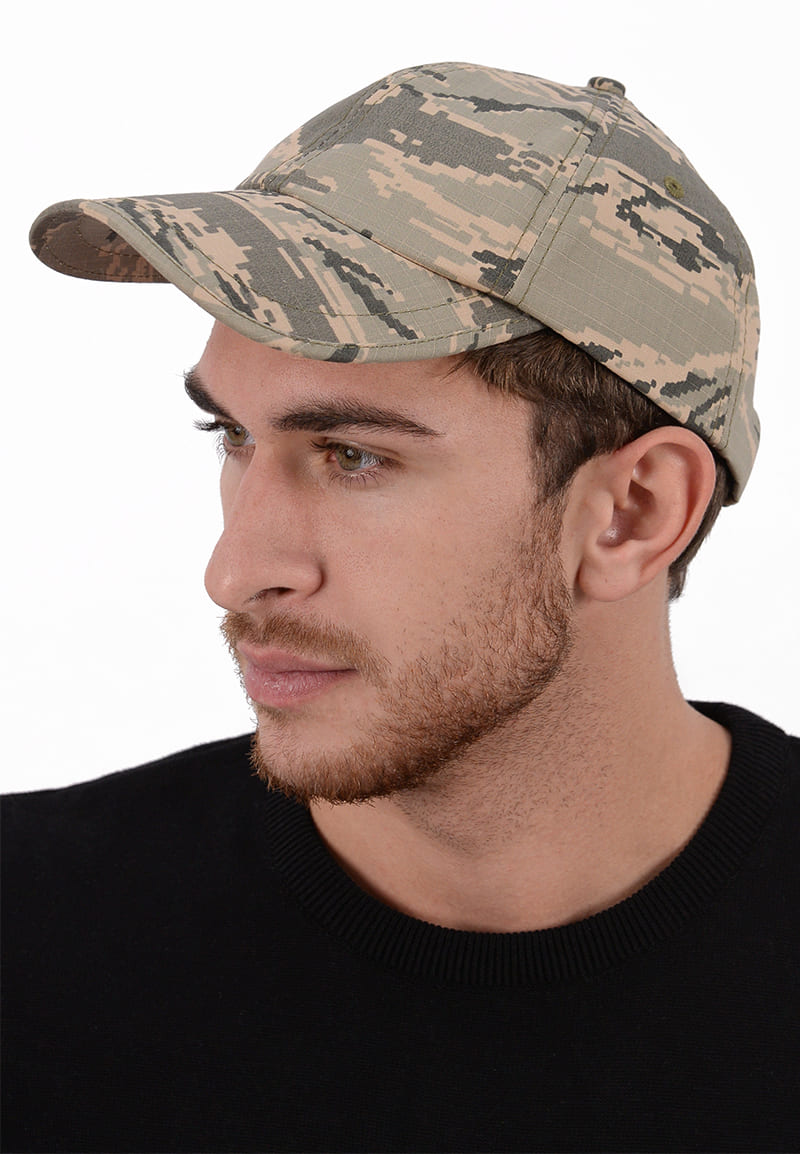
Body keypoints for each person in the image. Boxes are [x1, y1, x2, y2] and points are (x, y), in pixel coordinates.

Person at [2, 62, 797, 1154]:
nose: (233, 572)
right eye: (231, 436)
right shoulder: (31, 936)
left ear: (632, 514)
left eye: (353, 455)